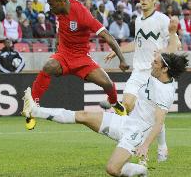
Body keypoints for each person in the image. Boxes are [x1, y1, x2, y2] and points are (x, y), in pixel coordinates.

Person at [21, 52, 189, 177]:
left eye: (156, 62)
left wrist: (147, 145)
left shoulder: (165, 92)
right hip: (126, 122)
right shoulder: (157, 76)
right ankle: (35, 110)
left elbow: (159, 123)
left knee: (112, 170)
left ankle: (141, 170)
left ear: (165, 68)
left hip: (136, 134)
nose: (152, 63)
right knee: (84, 116)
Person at [25, 0, 129, 130]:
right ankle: (32, 107)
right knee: (48, 66)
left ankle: (115, 103)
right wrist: (58, 43)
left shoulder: (82, 15)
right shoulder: (60, 10)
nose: (50, 8)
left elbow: (107, 36)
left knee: (108, 84)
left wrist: (122, 59)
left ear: (61, 2)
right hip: (64, 54)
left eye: (52, 4)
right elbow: (62, 27)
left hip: (82, 58)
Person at [102, 0, 181, 162]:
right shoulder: (138, 20)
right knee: (127, 105)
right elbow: (138, 44)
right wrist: (118, 50)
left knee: (154, 116)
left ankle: (161, 147)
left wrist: (171, 39)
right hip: (138, 72)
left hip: (154, 74)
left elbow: (174, 45)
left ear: (155, 0)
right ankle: (136, 148)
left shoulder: (162, 19)